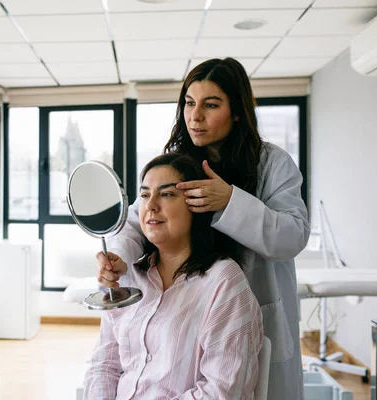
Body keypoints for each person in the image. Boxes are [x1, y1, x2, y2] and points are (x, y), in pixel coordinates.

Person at [97, 58, 310, 399]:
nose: (195, 117)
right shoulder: (178, 162)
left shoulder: (271, 163)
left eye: (211, 105)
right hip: (186, 316)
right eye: (189, 103)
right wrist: (118, 258)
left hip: (245, 305)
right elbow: (139, 221)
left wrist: (230, 202)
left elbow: (293, 236)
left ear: (237, 111)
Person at [84, 153, 264, 399]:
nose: (150, 206)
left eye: (167, 194)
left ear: (196, 205)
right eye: (145, 195)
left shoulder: (224, 282)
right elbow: (104, 364)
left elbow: (222, 391)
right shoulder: (129, 279)